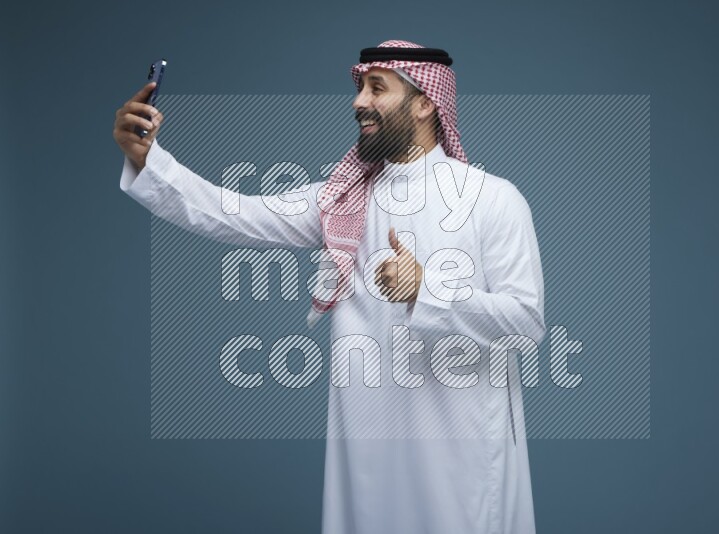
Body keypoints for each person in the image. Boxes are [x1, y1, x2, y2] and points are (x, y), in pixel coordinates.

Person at [113, 39, 546, 534]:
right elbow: (232, 214)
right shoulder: (343, 198)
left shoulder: (493, 199)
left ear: (425, 102)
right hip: (368, 443)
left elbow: (526, 320)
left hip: (462, 444)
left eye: (376, 88)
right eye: (359, 87)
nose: (359, 101)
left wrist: (427, 289)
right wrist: (149, 159)